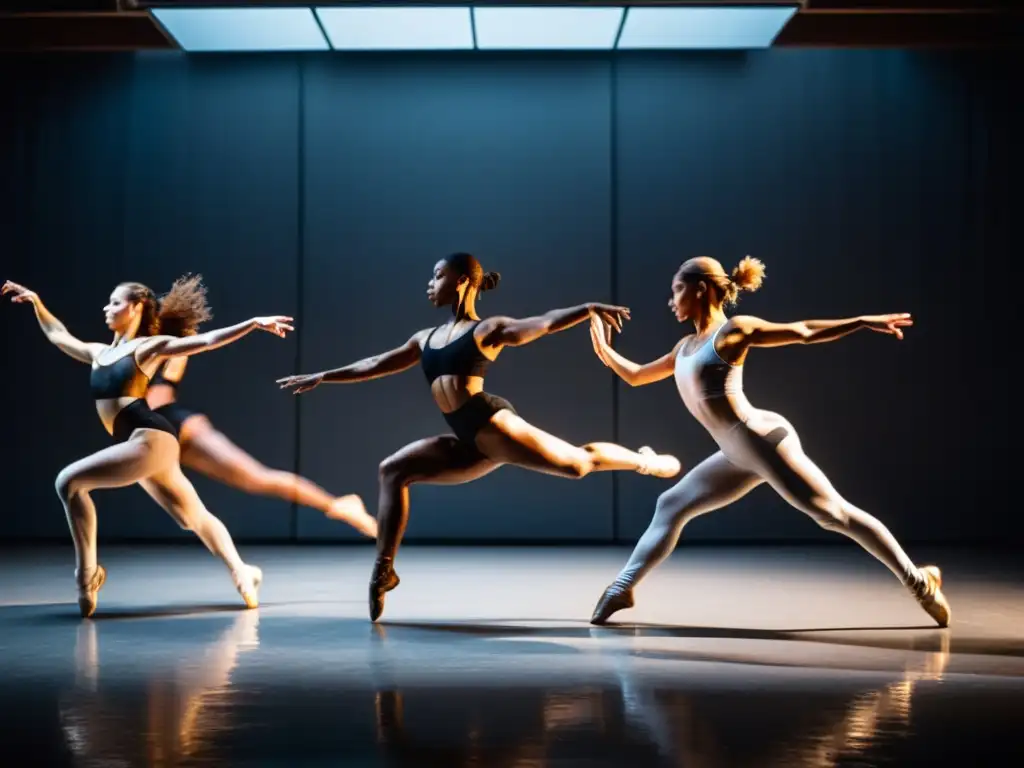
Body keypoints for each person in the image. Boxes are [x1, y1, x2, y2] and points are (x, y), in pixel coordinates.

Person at [277, 252, 681, 621]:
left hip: (493, 424)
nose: (430, 283)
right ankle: (385, 570)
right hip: (469, 441)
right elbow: (377, 363)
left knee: (578, 463)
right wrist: (323, 376)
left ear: (464, 281)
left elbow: (542, 322)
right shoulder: (425, 338)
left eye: (438, 275)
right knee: (393, 470)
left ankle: (646, 460)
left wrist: (586, 309)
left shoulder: (487, 329)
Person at [586, 255, 950, 628]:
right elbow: (634, 376)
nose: (671, 299)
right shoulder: (684, 348)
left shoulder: (732, 332)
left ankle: (919, 581)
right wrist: (601, 343)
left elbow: (803, 331)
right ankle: (623, 588)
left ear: (700, 288)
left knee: (833, 515)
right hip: (734, 454)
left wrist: (860, 322)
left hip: (763, 443)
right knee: (670, 504)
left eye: (676, 289)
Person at [2, 275, 292, 617]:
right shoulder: (98, 353)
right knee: (192, 517)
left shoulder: (148, 347)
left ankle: (87, 576)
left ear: (136, 307)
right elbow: (58, 335)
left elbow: (209, 341)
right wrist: (37, 302)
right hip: (143, 445)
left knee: (69, 482)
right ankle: (242, 571)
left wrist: (253, 323)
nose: (106, 308)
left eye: (115, 302)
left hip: (149, 437)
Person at [146, 357, 375, 537]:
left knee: (256, 477)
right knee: (189, 508)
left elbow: (184, 344)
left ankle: (338, 504)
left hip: (181, 428)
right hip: (152, 438)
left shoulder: (158, 356)